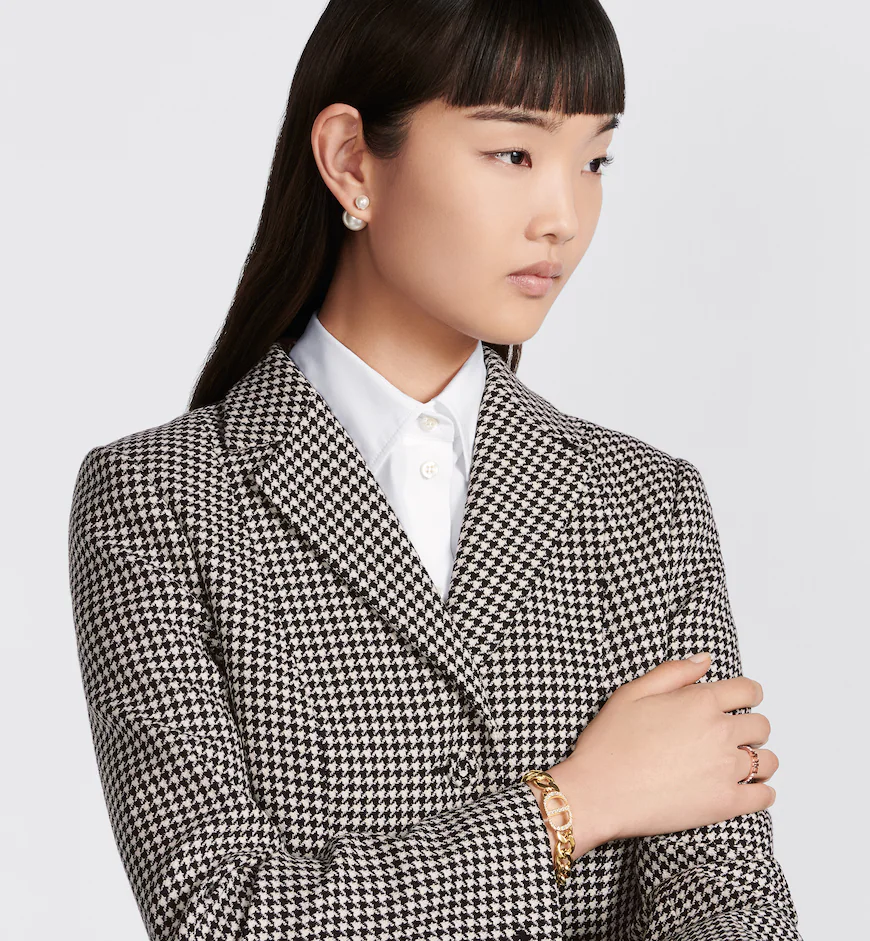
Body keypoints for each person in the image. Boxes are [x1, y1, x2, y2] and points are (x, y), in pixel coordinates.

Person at [67, 1, 803, 938]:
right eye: (514, 153)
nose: (563, 218)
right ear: (351, 160)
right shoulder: (160, 497)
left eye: (595, 161)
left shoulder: (644, 503)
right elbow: (217, 915)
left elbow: (731, 905)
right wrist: (572, 805)